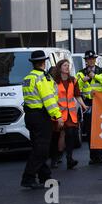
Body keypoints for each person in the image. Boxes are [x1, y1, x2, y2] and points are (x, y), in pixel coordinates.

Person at [21, 50, 64, 189]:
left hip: (30, 116)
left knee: (38, 147)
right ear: (43, 62)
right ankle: (28, 178)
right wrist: (57, 116)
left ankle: (45, 177)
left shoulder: (28, 77)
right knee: (41, 150)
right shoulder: (42, 78)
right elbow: (48, 99)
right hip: (41, 117)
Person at [76, 50, 102, 165]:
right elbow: (76, 88)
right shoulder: (81, 73)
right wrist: (83, 80)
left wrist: (95, 76)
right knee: (90, 131)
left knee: (100, 130)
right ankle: (93, 157)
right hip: (88, 103)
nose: (91, 61)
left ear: (95, 59)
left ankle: (100, 156)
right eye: (88, 59)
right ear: (86, 61)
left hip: (101, 103)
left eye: (93, 59)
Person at [52, 59, 88, 170]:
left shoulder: (73, 80)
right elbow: (52, 97)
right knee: (58, 135)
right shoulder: (55, 82)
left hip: (71, 114)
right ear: (59, 68)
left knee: (71, 134)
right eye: (65, 65)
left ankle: (69, 158)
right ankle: (56, 158)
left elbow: (77, 95)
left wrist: (83, 105)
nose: (67, 67)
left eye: (68, 65)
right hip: (59, 113)